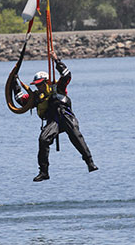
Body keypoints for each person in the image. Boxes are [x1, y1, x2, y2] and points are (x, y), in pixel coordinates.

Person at [12, 52, 98, 182]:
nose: (39, 87)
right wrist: (14, 82)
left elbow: (67, 75)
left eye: (41, 84)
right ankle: (44, 171)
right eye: (37, 85)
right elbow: (20, 100)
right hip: (53, 121)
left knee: (75, 134)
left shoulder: (58, 87)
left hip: (66, 116)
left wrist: (57, 60)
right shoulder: (36, 97)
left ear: (46, 82)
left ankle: (89, 162)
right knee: (43, 139)